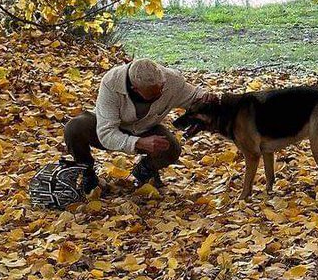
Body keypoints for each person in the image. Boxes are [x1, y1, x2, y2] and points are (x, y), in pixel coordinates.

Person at [63, 58, 212, 193]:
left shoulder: (170, 80)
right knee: (74, 128)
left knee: (171, 148)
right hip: (107, 126)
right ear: (135, 88)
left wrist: (207, 98)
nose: (160, 93)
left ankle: (145, 171)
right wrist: (138, 142)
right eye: (153, 94)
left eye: (161, 89)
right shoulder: (111, 82)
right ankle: (88, 174)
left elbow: (194, 96)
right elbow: (106, 134)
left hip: (145, 128)